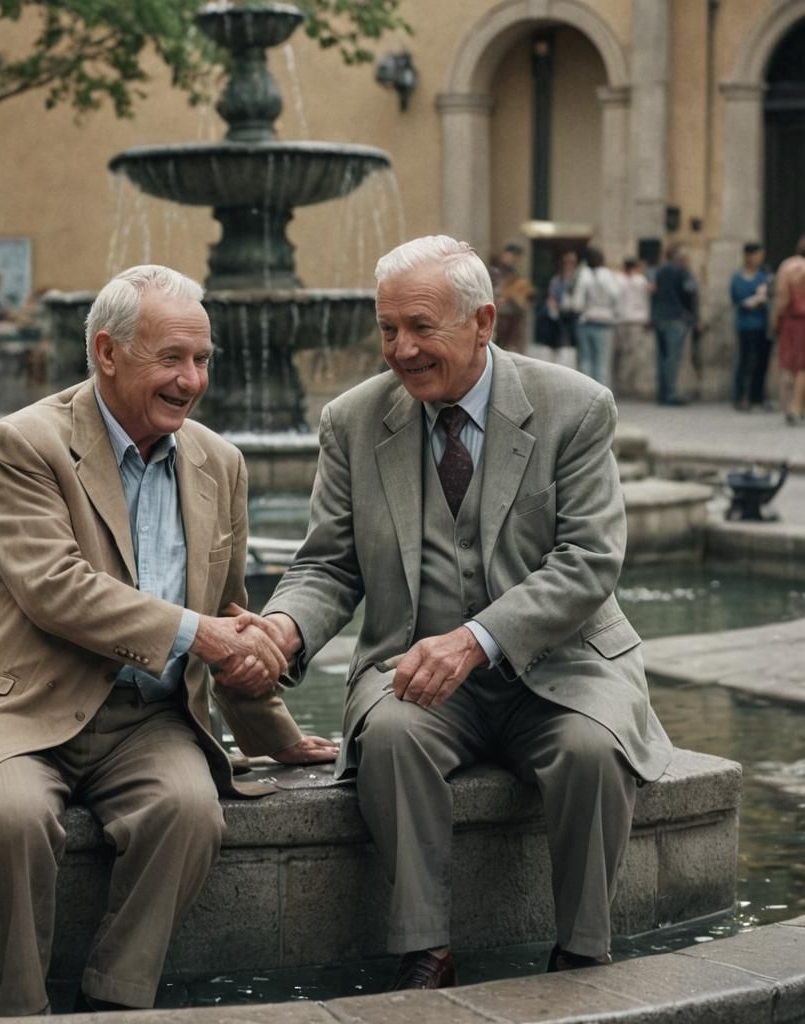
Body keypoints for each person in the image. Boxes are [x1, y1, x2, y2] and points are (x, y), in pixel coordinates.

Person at [0, 265, 337, 1016]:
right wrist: (204, 635)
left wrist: (275, 735)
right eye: (171, 358)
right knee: (11, 820)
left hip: (147, 722)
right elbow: (57, 589)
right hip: (18, 713)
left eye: (202, 359)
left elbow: (230, 614)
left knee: (191, 811)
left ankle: (117, 1000)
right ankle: (22, 1008)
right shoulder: (22, 444)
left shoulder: (219, 462)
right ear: (107, 351)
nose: (191, 379)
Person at [255, 236, 672, 990]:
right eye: (388, 330)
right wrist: (285, 629)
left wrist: (477, 641)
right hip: (416, 671)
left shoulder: (575, 406)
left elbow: (588, 563)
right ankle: (426, 952)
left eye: (420, 328)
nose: (401, 350)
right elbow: (328, 563)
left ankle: (581, 951)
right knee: (388, 733)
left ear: (484, 322)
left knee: (589, 752)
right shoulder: (351, 422)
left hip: (567, 666)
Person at [650, 244, 699, 406]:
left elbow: (654, 293)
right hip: (677, 317)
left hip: (660, 317)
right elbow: (689, 292)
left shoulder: (660, 271)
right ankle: (671, 394)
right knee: (673, 357)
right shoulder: (682, 272)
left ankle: (662, 393)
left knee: (662, 357)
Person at [729, 243, 772, 412]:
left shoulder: (763, 276)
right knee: (744, 361)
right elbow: (737, 299)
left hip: (761, 324)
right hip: (745, 325)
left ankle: (757, 397)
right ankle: (740, 397)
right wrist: (752, 300)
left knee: (761, 362)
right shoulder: (737, 278)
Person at [573, 247, 620, 387]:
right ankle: (602, 392)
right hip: (604, 322)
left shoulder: (583, 275)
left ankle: (587, 391)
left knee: (586, 359)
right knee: (602, 360)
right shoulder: (607, 274)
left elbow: (577, 302)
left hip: (586, 321)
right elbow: (615, 295)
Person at [771, 235, 805, 426]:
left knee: (787, 364)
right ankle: (797, 406)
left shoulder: (788, 266)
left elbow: (781, 297)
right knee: (803, 367)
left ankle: (787, 405)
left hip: (791, 321)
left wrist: (775, 320)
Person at [613, 258, 653, 395]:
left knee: (622, 353)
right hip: (637, 320)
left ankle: (620, 383)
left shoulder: (619, 279)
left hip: (621, 320)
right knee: (636, 354)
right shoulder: (640, 280)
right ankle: (634, 385)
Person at [489, 242, 534, 354]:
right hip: (500, 314)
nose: (516, 260)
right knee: (498, 348)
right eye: (514, 256)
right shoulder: (495, 271)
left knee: (511, 348)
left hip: (514, 314)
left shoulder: (515, 273)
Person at [542, 249, 580, 367]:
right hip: (561, 315)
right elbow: (552, 297)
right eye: (567, 262)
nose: (569, 265)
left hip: (577, 315)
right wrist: (553, 311)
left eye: (572, 262)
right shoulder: (557, 280)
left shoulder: (580, 279)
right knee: (561, 343)